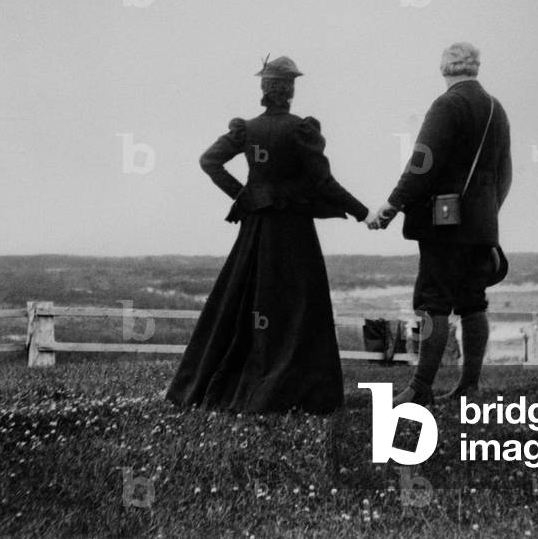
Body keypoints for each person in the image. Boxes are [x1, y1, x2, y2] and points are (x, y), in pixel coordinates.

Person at [166, 55, 371, 414]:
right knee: (297, 306)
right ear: (290, 90)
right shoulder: (301, 130)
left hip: (257, 231)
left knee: (244, 304)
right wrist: (364, 212)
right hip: (293, 233)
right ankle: (296, 389)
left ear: (264, 89)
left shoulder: (247, 129)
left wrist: (246, 196)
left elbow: (209, 161)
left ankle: (228, 384)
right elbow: (323, 182)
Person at [368, 42, 512, 406]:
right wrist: (487, 212)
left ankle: (419, 389)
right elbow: (505, 173)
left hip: (445, 224)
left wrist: (392, 203)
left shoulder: (447, 104)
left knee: (433, 303)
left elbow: (422, 163)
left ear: (445, 69)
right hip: (483, 226)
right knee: (473, 303)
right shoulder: (497, 109)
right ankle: (470, 386)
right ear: (475, 68)